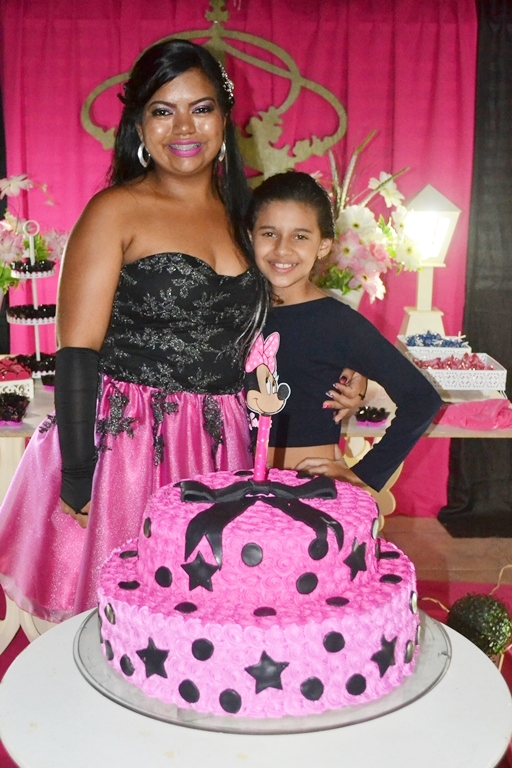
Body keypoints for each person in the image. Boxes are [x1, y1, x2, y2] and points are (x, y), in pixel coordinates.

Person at [0, 43, 360, 624]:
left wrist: (348, 367)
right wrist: (78, 475)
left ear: (225, 117)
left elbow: (283, 318)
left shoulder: (247, 217)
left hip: (223, 444)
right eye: (163, 111)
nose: (184, 128)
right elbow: (77, 351)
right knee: (123, 620)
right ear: (139, 123)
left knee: (209, 619)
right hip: (126, 450)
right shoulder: (115, 211)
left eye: (202, 108)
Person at [248, 171, 443, 492]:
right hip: (237, 481)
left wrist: (364, 474)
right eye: (269, 233)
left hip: (308, 485)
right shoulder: (236, 314)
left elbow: (421, 398)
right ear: (250, 236)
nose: (282, 249)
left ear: (324, 246)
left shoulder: (338, 323)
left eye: (300, 236)